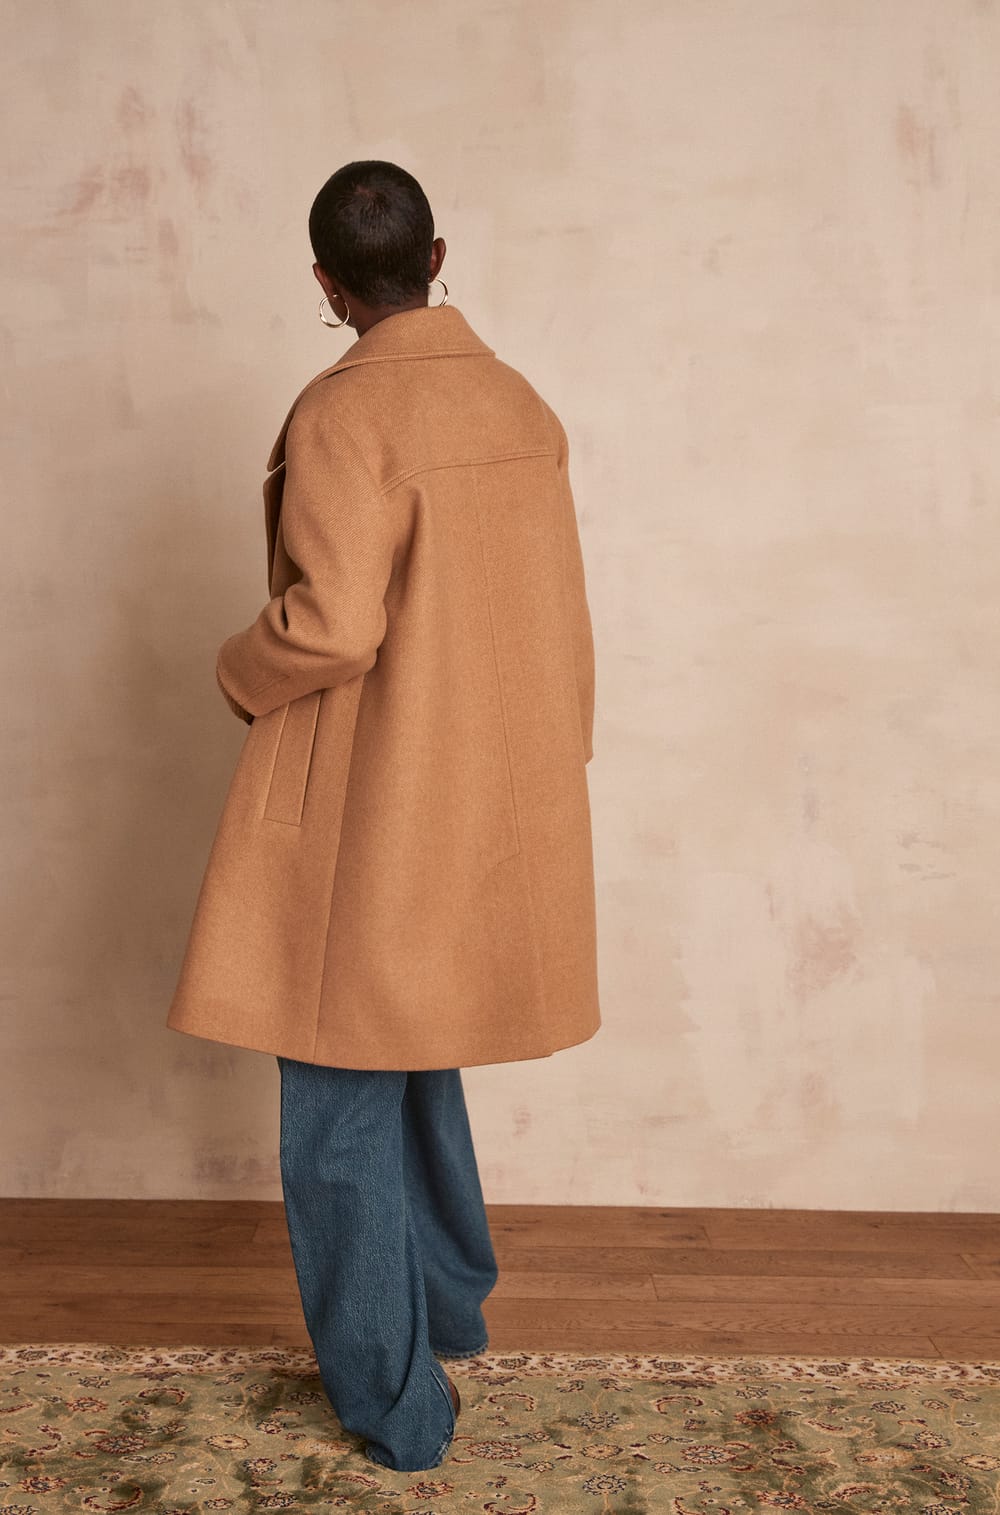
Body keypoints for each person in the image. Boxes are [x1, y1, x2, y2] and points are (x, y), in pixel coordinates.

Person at [166, 159, 600, 1471]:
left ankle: (394, 1405)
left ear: (324, 281)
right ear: (438, 256)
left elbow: (333, 625)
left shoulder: (344, 413)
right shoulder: (518, 404)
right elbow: (560, 616)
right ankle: (451, 1311)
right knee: (411, 1045)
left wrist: (236, 669)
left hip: (375, 794)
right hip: (485, 787)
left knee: (338, 1090)